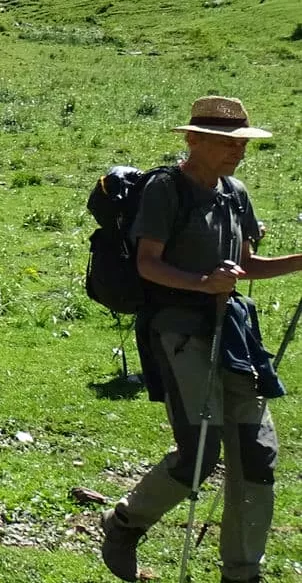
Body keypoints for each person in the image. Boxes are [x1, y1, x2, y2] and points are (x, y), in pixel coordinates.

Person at [99, 97, 302, 583]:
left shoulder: (236, 193)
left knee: (257, 455)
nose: (238, 151)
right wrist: (203, 283)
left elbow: (247, 267)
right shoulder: (167, 190)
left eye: (242, 143)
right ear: (193, 140)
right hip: (178, 331)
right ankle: (125, 523)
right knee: (201, 452)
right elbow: (149, 264)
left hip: (232, 332)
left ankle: (242, 573)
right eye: (227, 142)